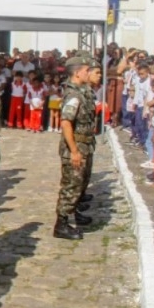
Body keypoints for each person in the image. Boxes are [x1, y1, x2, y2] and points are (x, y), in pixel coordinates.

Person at [54, 57, 97, 240]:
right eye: (87, 70)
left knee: (80, 183)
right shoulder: (73, 95)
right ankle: (61, 224)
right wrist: (73, 151)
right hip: (76, 146)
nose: (89, 73)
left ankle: (73, 214)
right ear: (77, 72)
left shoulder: (81, 92)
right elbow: (65, 123)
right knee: (71, 185)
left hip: (84, 145)